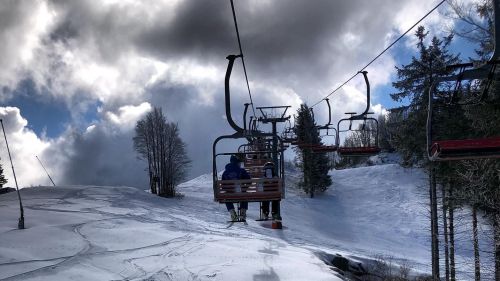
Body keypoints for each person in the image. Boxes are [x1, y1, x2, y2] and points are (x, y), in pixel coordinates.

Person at [222, 154, 251, 221]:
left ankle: (232, 213)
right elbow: (249, 180)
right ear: (237, 162)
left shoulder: (225, 172)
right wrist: (245, 187)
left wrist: (228, 189)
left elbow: (223, 185)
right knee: (244, 195)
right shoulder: (242, 171)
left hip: (230, 194)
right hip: (240, 192)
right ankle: (243, 213)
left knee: (227, 197)